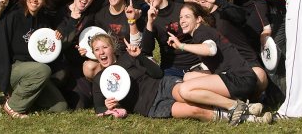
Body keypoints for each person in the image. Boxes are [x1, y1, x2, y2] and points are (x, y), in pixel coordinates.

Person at [91, 33, 271, 125]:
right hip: (149, 107)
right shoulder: (100, 79)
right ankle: (250, 118)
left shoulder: (128, 57)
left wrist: (140, 57)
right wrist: (108, 107)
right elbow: (99, 107)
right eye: (97, 50)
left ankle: (242, 107)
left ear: (112, 48)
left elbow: (157, 74)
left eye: (104, 47)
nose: (101, 52)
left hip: (162, 86)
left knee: (185, 94)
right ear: (94, 54)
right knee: (196, 111)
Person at [167, 3, 272, 125]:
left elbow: (211, 49)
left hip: (239, 79)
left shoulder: (201, 32)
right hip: (240, 77)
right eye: (181, 17)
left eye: (187, 17)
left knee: (185, 90)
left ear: (198, 19)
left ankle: (234, 106)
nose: (182, 21)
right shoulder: (202, 32)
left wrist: (181, 46)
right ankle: (250, 109)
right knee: (188, 77)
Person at [0, 0, 68, 118]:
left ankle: (23, 97)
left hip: (33, 72)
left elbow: (47, 51)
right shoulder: (13, 16)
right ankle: (13, 105)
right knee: (43, 70)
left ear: (44, 1)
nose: (34, 0)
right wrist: (3, 83)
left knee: (60, 106)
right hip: (10, 68)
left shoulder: (44, 22)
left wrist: (56, 36)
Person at [197, 0, 268, 97]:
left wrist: (219, 1)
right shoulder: (200, 20)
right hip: (222, 69)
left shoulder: (226, 11)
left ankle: (252, 99)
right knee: (189, 77)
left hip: (245, 64)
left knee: (259, 75)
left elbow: (241, 16)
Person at [51, 0, 100, 109]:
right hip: (60, 62)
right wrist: (73, 19)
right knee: (60, 77)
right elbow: (61, 43)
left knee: (81, 104)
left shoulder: (92, 14)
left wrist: (88, 50)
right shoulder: (61, 13)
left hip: (78, 64)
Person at [140, 0, 202, 77]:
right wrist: (150, 22)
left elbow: (201, 35)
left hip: (196, 62)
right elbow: (147, 50)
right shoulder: (149, 18)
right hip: (172, 67)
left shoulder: (182, 8)